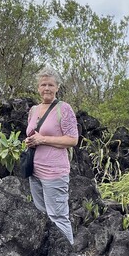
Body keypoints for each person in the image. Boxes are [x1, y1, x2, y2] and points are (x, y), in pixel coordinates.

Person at [24, 67, 79, 244]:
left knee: (58, 217)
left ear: (57, 87)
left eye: (50, 85)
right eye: (43, 85)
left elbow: (73, 140)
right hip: (35, 171)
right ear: (38, 88)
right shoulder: (33, 110)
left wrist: (42, 140)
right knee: (42, 215)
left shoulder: (64, 109)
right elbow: (33, 135)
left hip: (55, 172)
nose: (46, 88)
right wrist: (31, 141)